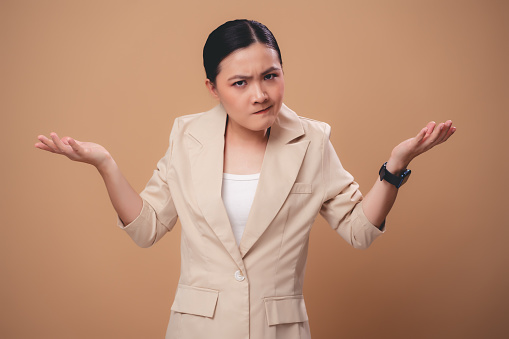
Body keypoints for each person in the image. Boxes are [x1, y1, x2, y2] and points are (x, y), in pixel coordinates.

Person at [35, 19, 455, 339]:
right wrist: (105, 163)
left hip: (279, 331)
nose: (260, 94)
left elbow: (360, 230)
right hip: (198, 329)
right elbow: (146, 229)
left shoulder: (311, 141)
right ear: (213, 88)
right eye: (240, 82)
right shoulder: (187, 137)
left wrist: (395, 167)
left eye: (270, 76)